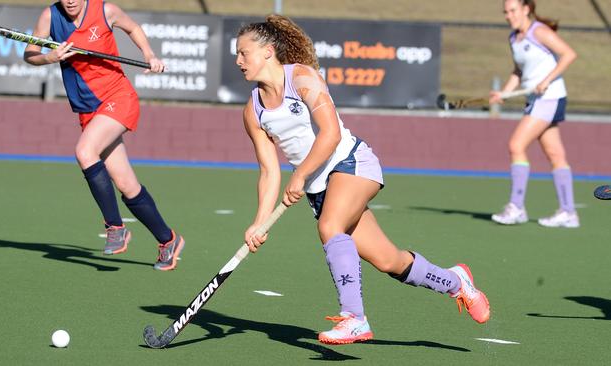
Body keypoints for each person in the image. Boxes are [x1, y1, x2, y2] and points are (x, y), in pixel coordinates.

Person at [236, 15, 490, 345]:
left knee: (329, 227)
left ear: (268, 51)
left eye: (244, 53)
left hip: (351, 162)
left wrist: (299, 175)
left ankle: (354, 317)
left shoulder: (302, 78)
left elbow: (330, 134)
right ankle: (457, 283)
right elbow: (269, 171)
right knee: (390, 261)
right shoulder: (252, 111)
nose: (238, 61)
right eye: (237, 54)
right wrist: (259, 223)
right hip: (320, 189)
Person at [23, 0, 184, 270]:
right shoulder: (49, 17)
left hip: (117, 96)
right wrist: (49, 58)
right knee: (126, 185)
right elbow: (30, 53)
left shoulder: (105, 10)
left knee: (85, 152)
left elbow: (132, 28)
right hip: (89, 110)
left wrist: (149, 55)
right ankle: (168, 240)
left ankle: (115, 227)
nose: (71, 1)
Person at [490, 0, 579, 228]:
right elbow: (519, 71)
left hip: (549, 97)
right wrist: (504, 93)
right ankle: (569, 212)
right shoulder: (514, 38)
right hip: (535, 100)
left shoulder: (538, 31)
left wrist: (546, 80)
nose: (508, 16)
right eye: (506, 12)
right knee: (555, 154)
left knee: (516, 145)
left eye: (513, 10)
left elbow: (569, 54)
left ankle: (516, 207)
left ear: (526, 9)